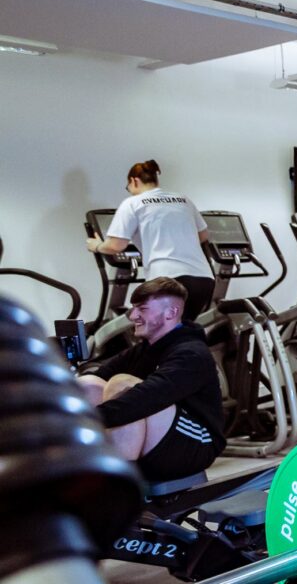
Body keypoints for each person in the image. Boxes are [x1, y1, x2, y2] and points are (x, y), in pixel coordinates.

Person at [77, 278, 226, 481]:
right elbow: (99, 374)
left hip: (197, 443)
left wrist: (82, 420)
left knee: (123, 386)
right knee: (87, 385)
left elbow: (144, 399)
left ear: (171, 313)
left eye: (142, 309)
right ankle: (81, 472)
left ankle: (119, 488)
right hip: (162, 435)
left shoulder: (191, 353)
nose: (133, 316)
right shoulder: (144, 349)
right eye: (134, 308)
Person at [87, 160, 216, 322]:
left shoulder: (133, 203)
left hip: (167, 280)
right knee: (183, 331)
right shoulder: (183, 200)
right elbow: (203, 235)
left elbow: (116, 245)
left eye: (128, 188)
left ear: (134, 181)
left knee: (161, 336)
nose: (130, 192)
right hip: (203, 279)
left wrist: (97, 246)